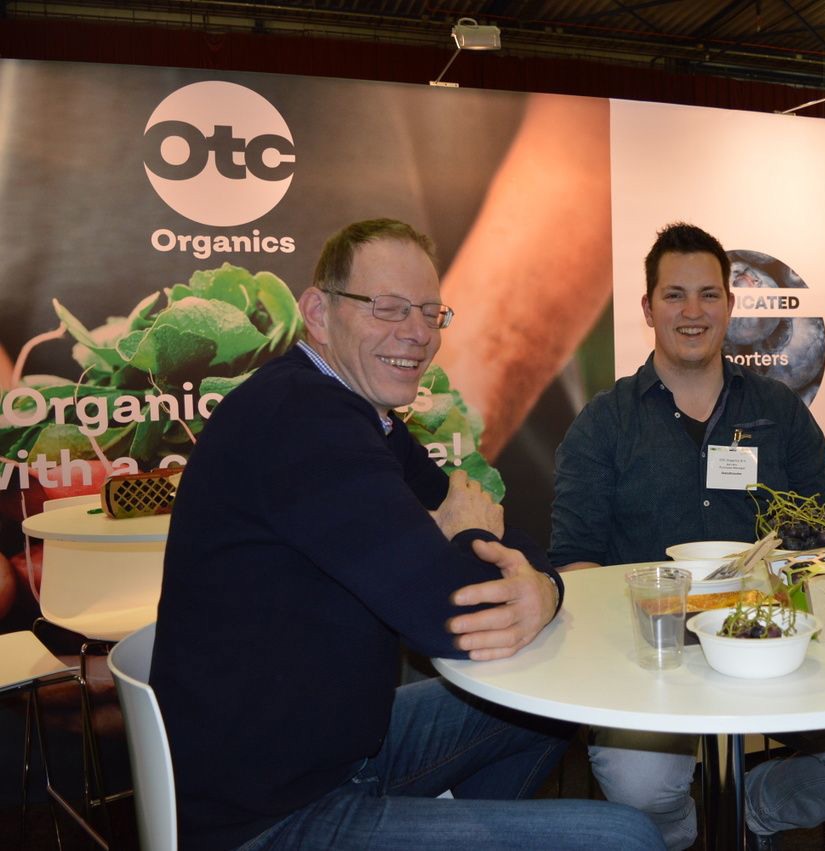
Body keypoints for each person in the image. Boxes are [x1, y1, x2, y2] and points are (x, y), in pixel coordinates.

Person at [149, 219, 663, 851]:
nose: (417, 333)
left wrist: (544, 589)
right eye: (388, 308)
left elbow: (498, 527)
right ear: (318, 312)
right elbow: (455, 618)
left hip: (344, 749)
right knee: (627, 838)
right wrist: (469, 537)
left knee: (551, 706)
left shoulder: (362, 415)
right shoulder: (302, 420)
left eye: (429, 312)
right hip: (269, 816)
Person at [550, 222, 825, 849]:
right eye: (674, 295)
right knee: (642, 786)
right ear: (648, 307)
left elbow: (817, 543)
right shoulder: (604, 424)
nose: (692, 312)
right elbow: (575, 563)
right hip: (655, 656)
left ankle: (754, 809)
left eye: (708, 294)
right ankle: (683, 837)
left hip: (773, 645)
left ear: (730, 304)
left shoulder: (781, 413)